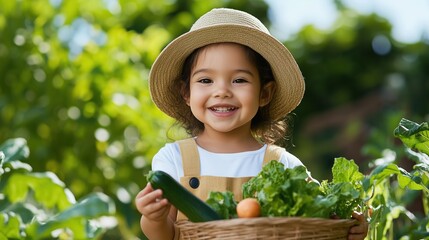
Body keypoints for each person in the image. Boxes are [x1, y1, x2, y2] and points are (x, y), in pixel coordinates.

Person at [135, 8, 368, 240]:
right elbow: (166, 234)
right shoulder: (174, 159)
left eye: (239, 80)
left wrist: (348, 228)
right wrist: (153, 218)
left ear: (264, 93)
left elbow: (321, 221)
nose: (222, 91)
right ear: (186, 93)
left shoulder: (282, 164)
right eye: (206, 80)